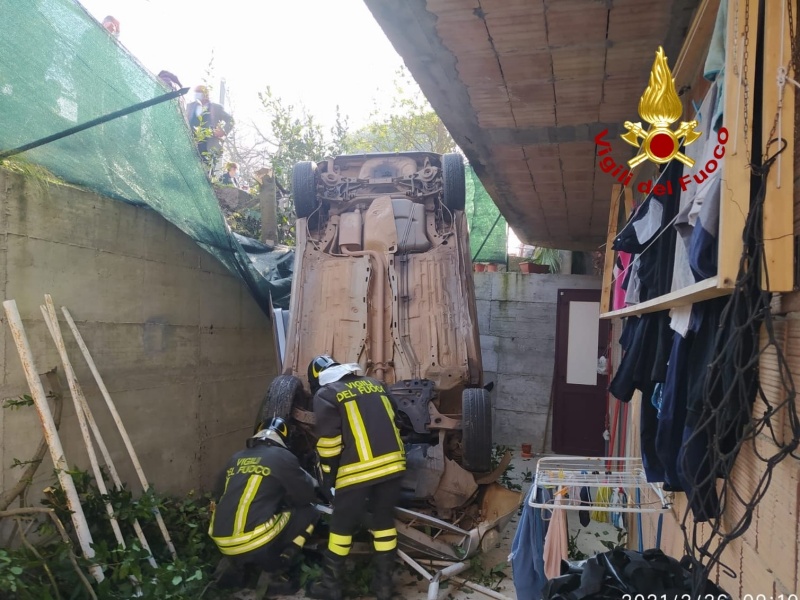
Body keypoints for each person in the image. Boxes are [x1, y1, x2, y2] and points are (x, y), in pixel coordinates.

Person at [306, 355, 406, 600]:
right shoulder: (374, 384)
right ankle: (383, 586)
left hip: (357, 471)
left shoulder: (326, 395)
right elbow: (397, 419)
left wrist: (329, 480)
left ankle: (331, 586)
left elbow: (329, 445)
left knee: (341, 526)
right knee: (384, 523)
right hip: (393, 465)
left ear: (317, 379)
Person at [209, 417, 319, 594]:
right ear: (284, 439)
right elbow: (305, 496)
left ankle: (236, 566)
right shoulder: (283, 457)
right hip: (255, 539)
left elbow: (218, 494)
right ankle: (277, 569)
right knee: (310, 512)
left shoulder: (235, 458)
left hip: (220, 539)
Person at [185, 85, 234, 175]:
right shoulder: (190, 107)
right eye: (196, 92)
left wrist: (223, 131)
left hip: (209, 146)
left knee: (205, 172)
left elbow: (230, 120)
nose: (197, 94)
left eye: (199, 92)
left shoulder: (216, 108)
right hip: (191, 144)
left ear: (206, 94)